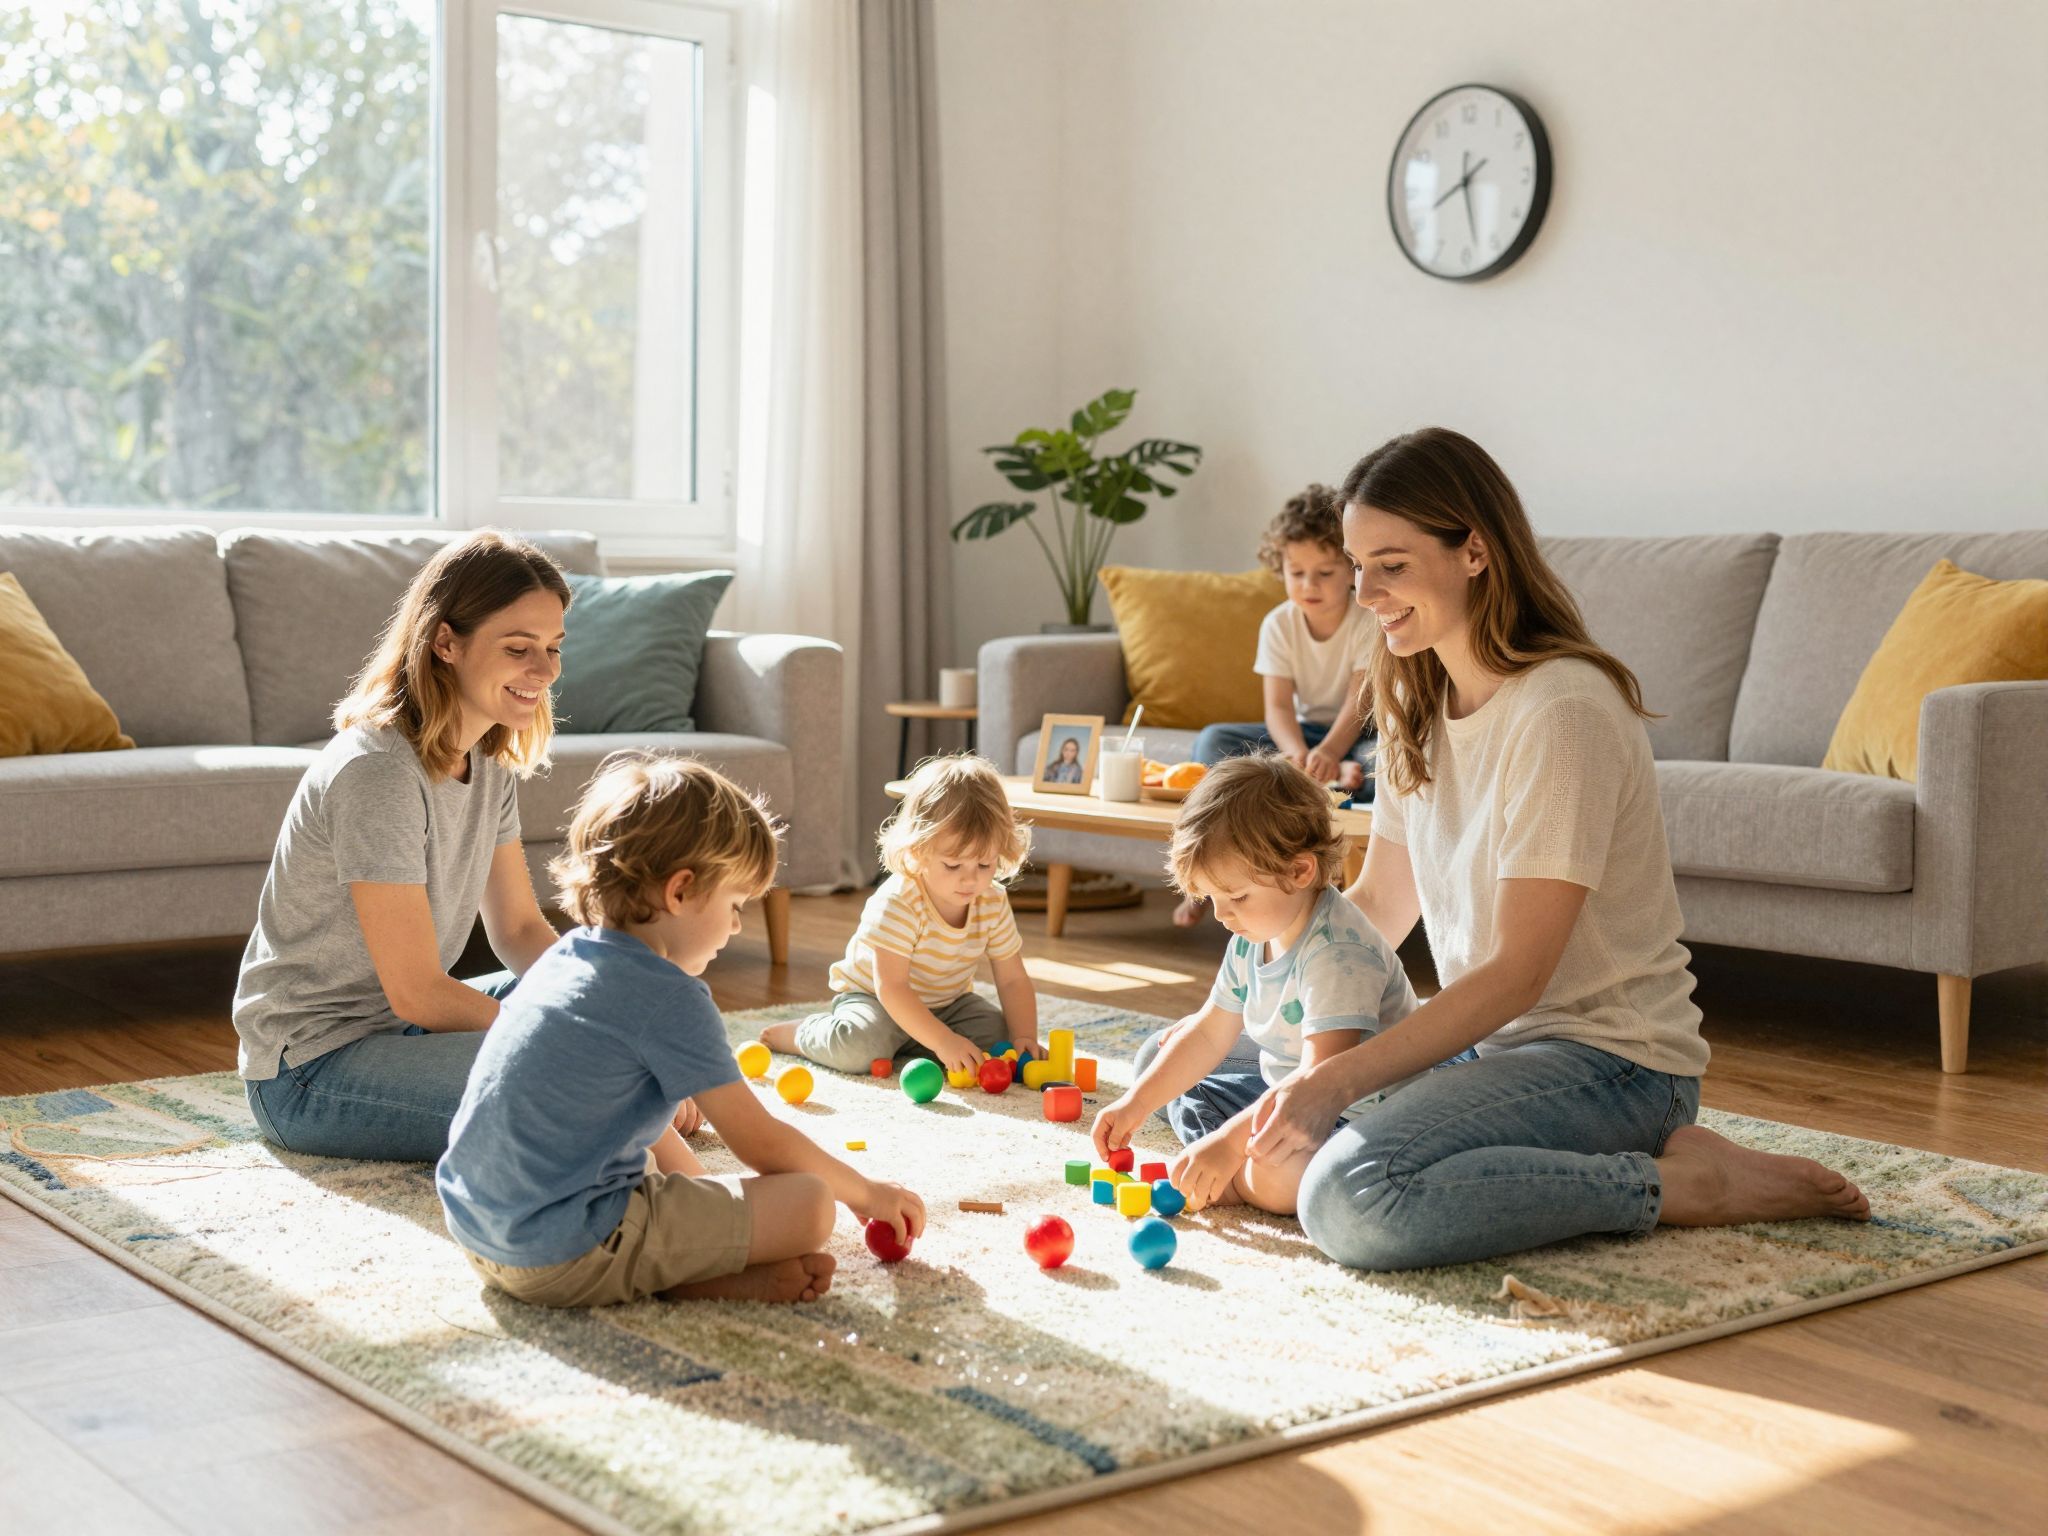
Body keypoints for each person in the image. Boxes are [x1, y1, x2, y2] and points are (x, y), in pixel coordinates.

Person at [1240, 428, 1868, 1271]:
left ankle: (1680, 1185)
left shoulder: (1562, 709)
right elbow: (1385, 905)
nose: (1366, 593)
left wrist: (1334, 1083)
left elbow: (1518, 973)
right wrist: (1267, 980)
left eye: (1391, 564)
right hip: (1494, 1047)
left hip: (1613, 1063)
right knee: (1216, 1089)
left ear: (1475, 551)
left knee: (1350, 1199)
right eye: (1357, 568)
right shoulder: (1411, 694)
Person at [438, 754, 923, 1306]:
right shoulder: (669, 996)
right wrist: (867, 1194)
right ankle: (674, 1274)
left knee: (639, 1151)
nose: (738, 925)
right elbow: (761, 1143)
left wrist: (715, 1215)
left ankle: (702, 1272)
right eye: (735, 904)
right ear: (680, 892)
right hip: (561, 1253)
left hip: (480, 1235)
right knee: (811, 1203)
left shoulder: (564, 957)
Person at [234, 531, 575, 1162]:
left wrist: (608, 1014)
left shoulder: (487, 758)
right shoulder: (379, 773)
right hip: (310, 1071)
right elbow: (418, 990)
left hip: (403, 1032)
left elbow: (522, 929)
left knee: (611, 1001)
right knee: (573, 1075)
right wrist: (580, 1047)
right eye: (519, 648)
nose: (545, 670)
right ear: (446, 641)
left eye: (553, 648)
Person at [1091, 754, 1419, 1215]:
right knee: (1163, 1072)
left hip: (1352, 1115)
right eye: (1213, 898)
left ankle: (1238, 1179)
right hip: (1286, 1095)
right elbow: (1208, 1034)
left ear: (1300, 872)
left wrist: (1228, 1143)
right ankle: (1231, 1158)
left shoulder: (1338, 954)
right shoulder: (1254, 935)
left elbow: (1317, 1082)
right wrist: (1133, 1105)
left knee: (1284, 1177)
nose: (1222, 915)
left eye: (1237, 897)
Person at [759, 754, 1043, 1077]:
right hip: (876, 1002)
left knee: (999, 1036)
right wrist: (943, 1041)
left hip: (948, 1005)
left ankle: (912, 1043)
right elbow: (892, 987)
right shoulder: (900, 900)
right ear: (919, 850)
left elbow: (1012, 978)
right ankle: (802, 1033)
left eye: (984, 864)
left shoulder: (991, 900)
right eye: (953, 865)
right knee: (859, 1049)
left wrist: (1024, 1038)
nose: (971, 879)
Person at [1175, 485, 1376, 927]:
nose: (1309, 585)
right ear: (1279, 567)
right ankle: (1317, 782)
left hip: (1358, 731)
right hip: (1303, 734)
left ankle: (1335, 779)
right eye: (1297, 572)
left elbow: (1359, 702)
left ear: (1350, 570)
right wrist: (1294, 755)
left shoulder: (1367, 619)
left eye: (1324, 573)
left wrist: (1330, 753)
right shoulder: (1279, 624)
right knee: (1214, 741)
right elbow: (1279, 708)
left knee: (1386, 760)